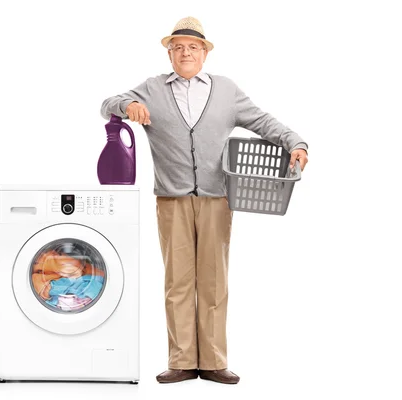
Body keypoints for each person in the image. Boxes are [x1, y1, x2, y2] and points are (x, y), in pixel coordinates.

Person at [100, 16, 309, 384]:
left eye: (193, 47)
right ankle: (181, 361)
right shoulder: (150, 89)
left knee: (213, 281)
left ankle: (212, 361)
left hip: (217, 198)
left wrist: (296, 142)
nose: (185, 53)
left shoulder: (226, 91)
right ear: (169, 54)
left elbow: (262, 121)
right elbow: (107, 104)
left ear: (204, 54)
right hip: (171, 199)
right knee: (177, 281)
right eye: (178, 47)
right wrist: (125, 107)